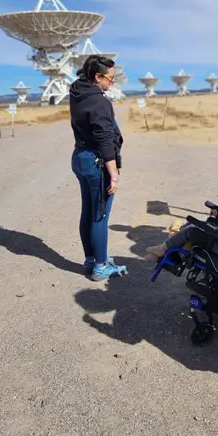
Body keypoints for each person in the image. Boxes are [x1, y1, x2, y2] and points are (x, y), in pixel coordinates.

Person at [70, 55, 127, 281]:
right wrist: (113, 174)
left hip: (80, 157)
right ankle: (101, 267)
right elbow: (104, 138)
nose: (112, 82)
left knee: (89, 211)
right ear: (97, 76)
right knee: (100, 216)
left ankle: (92, 259)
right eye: (110, 79)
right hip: (96, 161)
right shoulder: (100, 102)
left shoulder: (77, 92)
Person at [145, 168, 218, 261]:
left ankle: (162, 249)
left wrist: (211, 225)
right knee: (192, 224)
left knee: (192, 229)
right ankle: (166, 249)